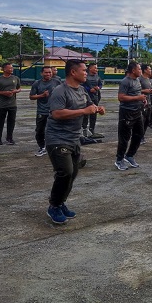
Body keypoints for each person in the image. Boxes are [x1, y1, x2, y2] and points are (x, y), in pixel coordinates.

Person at [45, 59, 105, 224]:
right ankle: (54, 206)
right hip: (57, 138)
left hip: (73, 138)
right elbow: (56, 113)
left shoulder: (82, 90)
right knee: (65, 171)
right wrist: (84, 111)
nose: (86, 72)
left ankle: (60, 202)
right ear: (73, 72)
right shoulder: (60, 90)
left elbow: (90, 105)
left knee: (73, 174)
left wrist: (98, 109)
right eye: (84, 70)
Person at [115, 62, 146, 171]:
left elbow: (137, 94)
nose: (140, 71)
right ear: (133, 70)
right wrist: (138, 98)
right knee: (124, 138)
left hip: (137, 112)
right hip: (126, 113)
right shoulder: (125, 82)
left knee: (139, 135)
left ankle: (130, 155)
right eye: (139, 69)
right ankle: (119, 160)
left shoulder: (137, 80)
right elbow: (121, 97)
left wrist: (143, 99)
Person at [29, 66, 59, 156]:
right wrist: (41, 95)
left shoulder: (57, 82)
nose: (48, 74)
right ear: (41, 73)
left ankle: (53, 147)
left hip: (53, 111)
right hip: (42, 111)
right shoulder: (37, 83)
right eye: (46, 72)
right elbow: (31, 96)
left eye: (50, 72)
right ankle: (42, 147)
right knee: (39, 131)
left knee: (54, 130)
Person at [0, 63, 21, 145]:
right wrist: (4, 93)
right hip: (2, 105)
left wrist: (15, 91)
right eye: (10, 68)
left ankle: (9, 138)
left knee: (11, 122)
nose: (12, 69)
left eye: (12, 68)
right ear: (4, 69)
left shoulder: (15, 78)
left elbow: (19, 88)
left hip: (13, 104)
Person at [81, 63, 103, 138]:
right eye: (95, 68)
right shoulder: (85, 77)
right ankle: (84, 129)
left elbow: (100, 84)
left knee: (94, 114)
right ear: (90, 69)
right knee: (85, 114)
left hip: (95, 98)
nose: (96, 69)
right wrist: (89, 89)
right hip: (86, 98)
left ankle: (92, 129)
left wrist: (98, 88)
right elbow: (82, 86)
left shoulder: (97, 77)